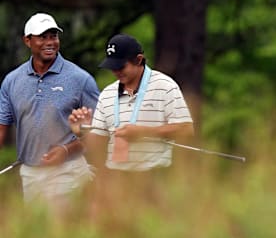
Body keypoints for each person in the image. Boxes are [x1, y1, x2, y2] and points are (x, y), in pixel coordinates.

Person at [0, 13, 100, 208]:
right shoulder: (12, 81)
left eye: (53, 36)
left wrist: (66, 150)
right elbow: (1, 128)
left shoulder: (80, 79)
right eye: (42, 37)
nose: (50, 42)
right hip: (29, 174)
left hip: (68, 171)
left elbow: (99, 131)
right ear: (27, 41)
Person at [68, 34, 194, 172]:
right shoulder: (107, 94)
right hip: (117, 177)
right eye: (112, 67)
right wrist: (82, 131)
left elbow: (186, 129)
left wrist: (144, 132)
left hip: (155, 174)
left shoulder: (165, 86)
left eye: (121, 66)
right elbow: (98, 146)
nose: (116, 71)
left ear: (138, 60)